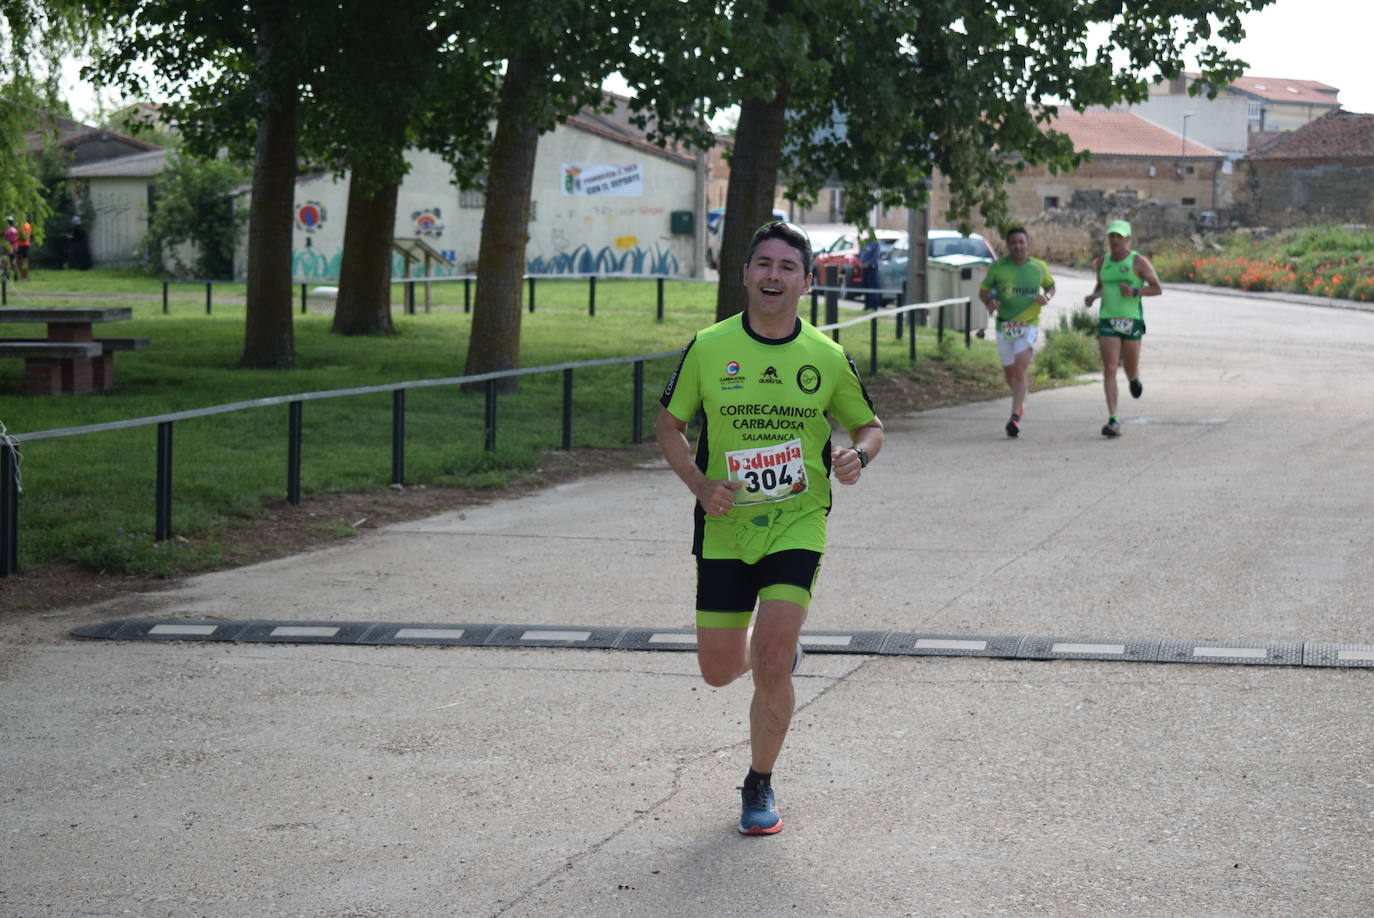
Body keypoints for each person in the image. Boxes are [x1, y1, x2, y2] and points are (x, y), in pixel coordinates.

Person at [655, 220, 884, 836]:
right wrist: (702, 487)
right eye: (764, 264)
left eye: (788, 266)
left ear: (807, 282)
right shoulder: (708, 345)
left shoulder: (827, 357)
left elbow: (871, 426)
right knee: (718, 670)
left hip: (797, 520)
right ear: (745, 273)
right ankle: (766, 653)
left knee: (773, 661)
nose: (774, 275)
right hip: (726, 525)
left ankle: (758, 781)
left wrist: (856, 457)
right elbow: (668, 427)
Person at [1083, 219, 1162, 438]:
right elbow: (1101, 285)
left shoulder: (1138, 261)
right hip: (1108, 319)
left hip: (1131, 320)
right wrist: (1093, 296)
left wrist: (1135, 292)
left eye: (1119, 236)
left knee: (1129, 367)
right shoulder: (1102, 262)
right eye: (1112, 236)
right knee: (1109, 367)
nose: (1115, 240)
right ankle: (1114, 419)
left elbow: (1157, 288)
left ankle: (1134, 379)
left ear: (1128, 239)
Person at [978, 226, 1055, 437]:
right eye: (1013, 243)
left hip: (1029, 323)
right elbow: (983, 291)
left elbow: (1051, 286)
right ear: (1008, 245)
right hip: (1005, 325)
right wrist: (989, 302)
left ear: (1027, 244)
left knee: (1020, 369)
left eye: (1021, 242)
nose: (1018, 246)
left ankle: (1014, 417)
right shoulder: (998, 268)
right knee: (1010, 374)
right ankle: (1019, 401)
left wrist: (1046, 297)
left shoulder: (1038, 267)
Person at [858, 232, 883, 311]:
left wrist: (868, 264)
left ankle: (873, 306)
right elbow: (860, 253)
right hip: (863, 269)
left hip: (872, 268)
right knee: (865, 287)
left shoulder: (876, 243)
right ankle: (867, 305)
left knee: (872, 287)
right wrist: (861, 263)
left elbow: (876, 256)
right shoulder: (864, 242)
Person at [2, 216, 16, 281]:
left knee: (6, 262)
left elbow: (7, 240)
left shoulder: (8, 231)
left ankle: (6, 275)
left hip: (8, 248)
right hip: (15, 248)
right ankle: (15, 274)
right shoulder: (14, 230)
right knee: (12, 261)